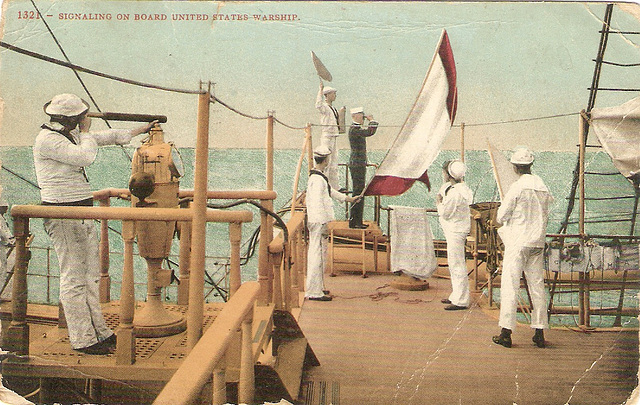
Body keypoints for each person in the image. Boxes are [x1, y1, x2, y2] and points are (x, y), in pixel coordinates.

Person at [33, 93, 155, 355]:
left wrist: (140, 130)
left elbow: (107, 138)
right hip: (62, 214)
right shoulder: (47, 140)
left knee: (89, 276)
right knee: (73, 278)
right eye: (80, 117)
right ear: (71, 119)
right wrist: (86, 132)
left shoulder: (70, 135)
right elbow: (85, 157)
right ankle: (82, 339)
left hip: (81, 209)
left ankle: (99, 331)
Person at [492, 147, 554, 348]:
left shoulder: (517, 187)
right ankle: (539, 332)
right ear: (530, 165)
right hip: (537, 242)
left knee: (510, 285)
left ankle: (506, 333)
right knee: (537, 286)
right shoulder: (543, 186)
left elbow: (501, 216)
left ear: (515, 167)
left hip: (518, 243)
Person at [306, 145, 360, 301]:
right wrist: (323, 225)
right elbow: (316, 203)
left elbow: (330, 191)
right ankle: (314, 292)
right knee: (317, 256)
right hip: (318, 222)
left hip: (317, 221)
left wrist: (349, 199)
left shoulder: (318, 176)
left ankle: (318, 288)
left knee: (320, 255)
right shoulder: (317, 179)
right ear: (326, 159)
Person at [436, 160, 473, 311]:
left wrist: (439, 203)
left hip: (455, 231)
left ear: (449, 174)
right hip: (459, 229)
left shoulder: (455, 193)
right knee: (455, 263)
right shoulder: (462, 189)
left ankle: (461, 300)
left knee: (457, 264)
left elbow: (446, 213)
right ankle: (456, 295)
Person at [348, 107, 378, 229]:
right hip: (357, 165)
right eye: (361, 115)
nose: (363, 117)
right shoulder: (355, 129)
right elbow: (370, 132)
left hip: (358, 164)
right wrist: (372, 121)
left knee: (360, 192)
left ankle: (356, 221)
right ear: (355, 116)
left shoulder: (356, 129)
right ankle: (355, 222)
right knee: (358, 193)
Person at [315, 80, 345, 190]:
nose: (335, 95)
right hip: (327, 136)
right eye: (333, 94)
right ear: (327, 95)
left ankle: (335, 186)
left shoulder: (333, 108)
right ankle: (325, 185)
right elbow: (318, 105)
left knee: (333, 162)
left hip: (333, 136)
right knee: (326, 162)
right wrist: (320, 90)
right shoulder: (324, 107)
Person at [0, 196, 15, 301]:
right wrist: (10, 241)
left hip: (2, 244)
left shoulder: (2, 218)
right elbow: (3, 233)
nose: (6, 210)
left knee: (3, 269)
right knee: (2, 269)